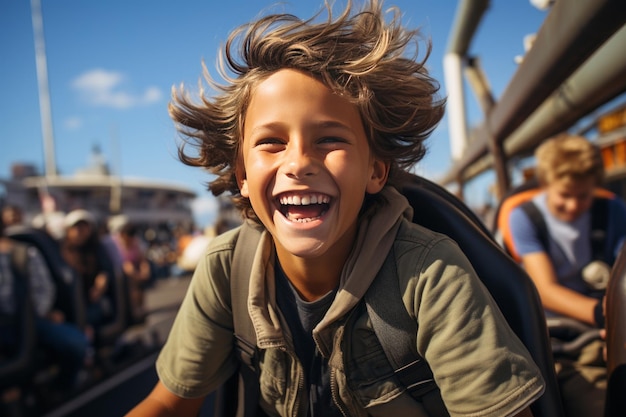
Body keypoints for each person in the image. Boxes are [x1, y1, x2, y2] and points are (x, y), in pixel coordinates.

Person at [127, 1, 544, 416]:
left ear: (375, 172)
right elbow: (169, 404)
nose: (298, 163)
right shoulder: (226, 270)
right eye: (272, 142)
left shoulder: (430, 274)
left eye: (329, 140)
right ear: (242, 177)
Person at [508, 134, 626, 417]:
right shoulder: (525, 217)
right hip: (562, 337)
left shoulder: (614, 211)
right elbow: (545, 289)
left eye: (583, 196)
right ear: (546, 185)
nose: (573, 206)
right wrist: (608, 317)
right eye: (564, 196)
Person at [0, 208, 90, 399]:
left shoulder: (24, 253)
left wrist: (39, 313)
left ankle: (60, 388)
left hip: (29, 321)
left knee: (77, 343)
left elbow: (45, 289)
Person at [60, 209, 115, 338]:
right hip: (69, 303)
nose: (80, 231)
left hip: (92, 300)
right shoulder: (60, 250)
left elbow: (106, 270)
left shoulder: (97, 248)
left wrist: (103, 281)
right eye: (76, 227)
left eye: (84, 227)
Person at [112, 221, 152, 323]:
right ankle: (134, 311)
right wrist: (136, 275)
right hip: (122, 273)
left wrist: (145, 271)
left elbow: (142, 259)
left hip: (134, 270)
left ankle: (140, 309)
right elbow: (125, 265)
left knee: (139, 286)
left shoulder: (135, 242)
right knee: (132, 286)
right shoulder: (115, 243)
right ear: (122, 235)